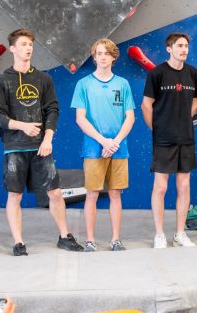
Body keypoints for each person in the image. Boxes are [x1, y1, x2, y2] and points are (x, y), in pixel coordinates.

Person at [0, 29, 83, 255]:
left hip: (42, 148)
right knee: (15, 195)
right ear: (12, 48)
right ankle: (19, 243)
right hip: (14, 148)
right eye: (23, 44)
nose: (28, 48)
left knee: (55, 193)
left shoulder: (43, 79)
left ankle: (64, 236)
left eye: (31, 44)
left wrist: (48, 138)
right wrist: (22, 126)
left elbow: (52, 109)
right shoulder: (3, 81)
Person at [71, 38, 135, 252]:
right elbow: (80, 118)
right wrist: (103, 141)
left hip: (119, 149)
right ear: (94, 56)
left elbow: (130, 118)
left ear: (113, 57)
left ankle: (115, 239)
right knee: (92, 193)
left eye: (107, 53)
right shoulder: (84, 84)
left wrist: (115, 142)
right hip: (93, 149)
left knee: (116, 194)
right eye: (99, 53)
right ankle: (90, 240)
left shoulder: (123, 84)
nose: (103, 57)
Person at [142, 32, 197, 248]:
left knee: (184, 186)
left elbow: (195, 101)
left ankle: (179, 233)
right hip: (163, 139)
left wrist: (185, 119)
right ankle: (159, 234)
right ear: (169, 49)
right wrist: (156, 129)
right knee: (160, 187)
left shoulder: (194, 73)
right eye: (179, 45)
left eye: (186, 45)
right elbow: (146, 105)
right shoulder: (157, 73)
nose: (184, 49)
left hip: (186, 137)